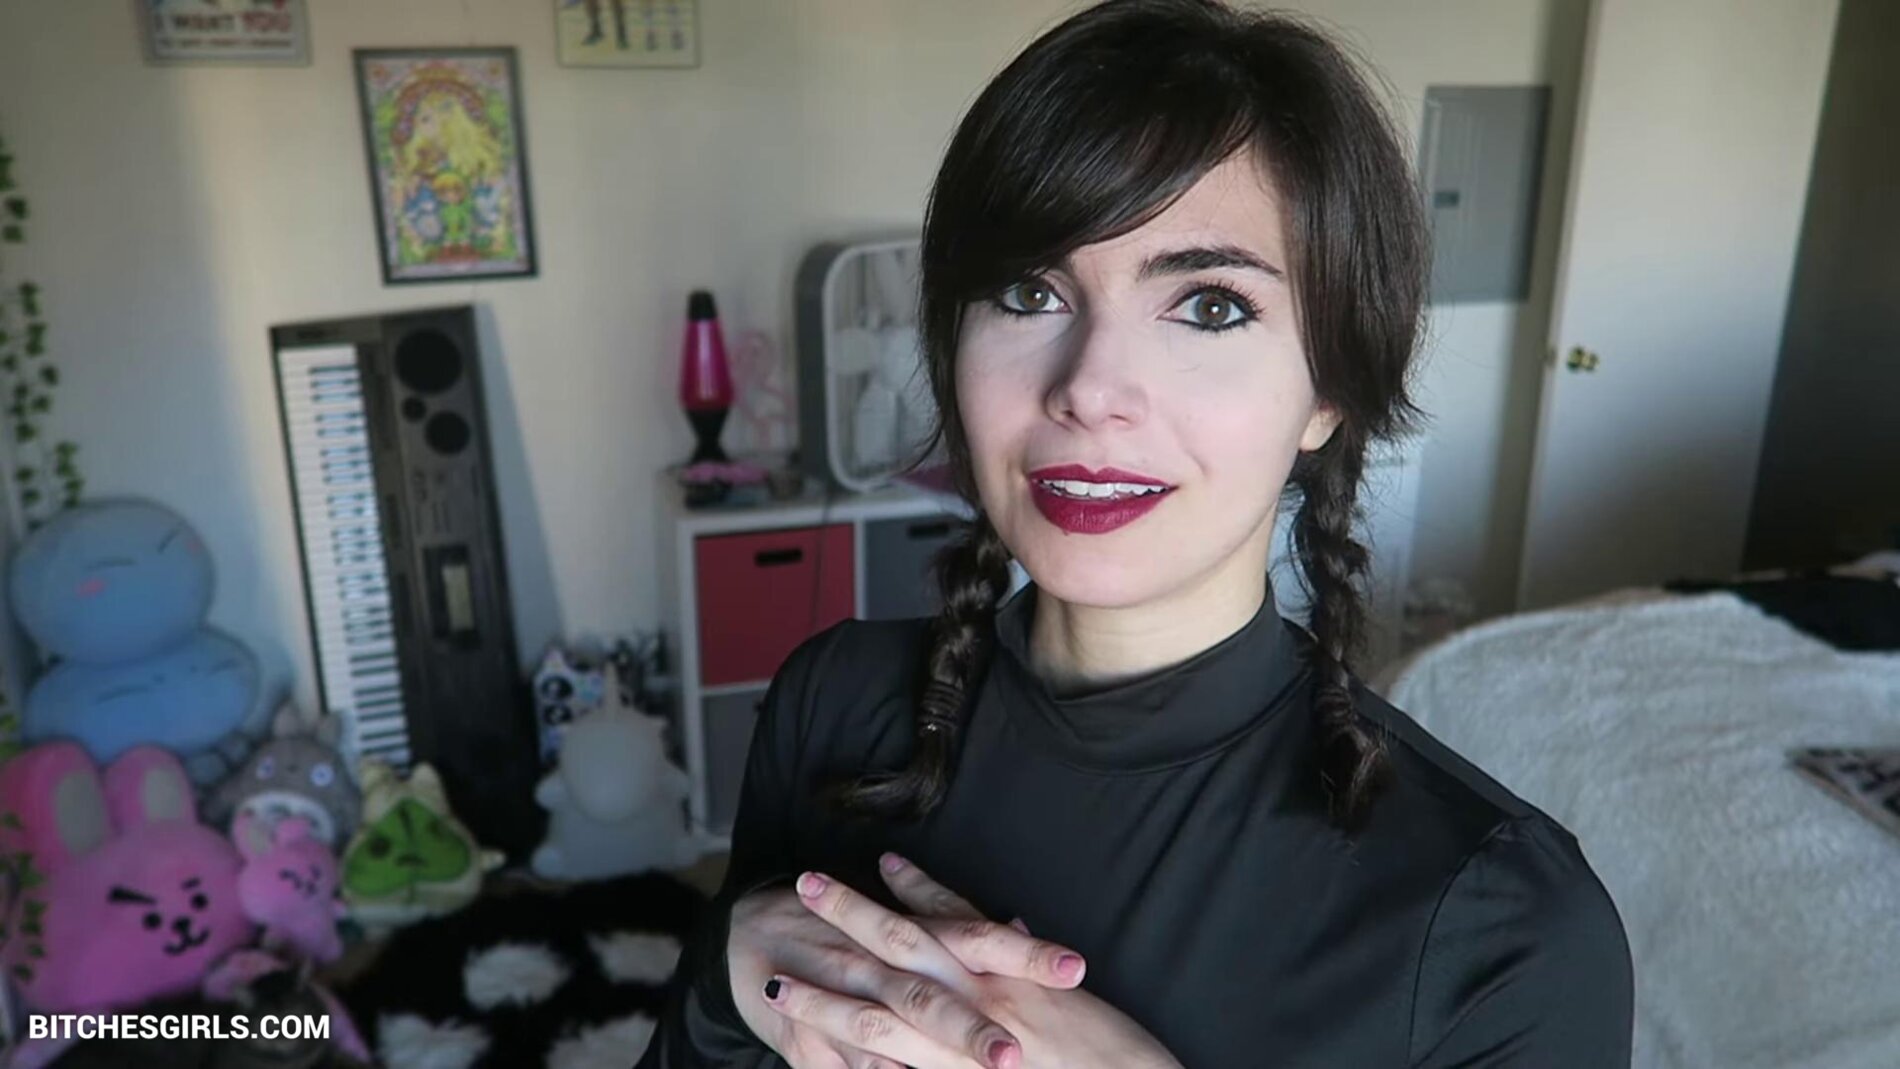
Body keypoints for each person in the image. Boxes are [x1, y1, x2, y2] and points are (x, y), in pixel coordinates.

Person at [639, 1, 1635, 1066]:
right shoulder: (831, 705)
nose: (1090, 388)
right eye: (1029, 291)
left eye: (1209, 306)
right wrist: (727, 974)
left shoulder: (1508, 937)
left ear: (1328, 391)